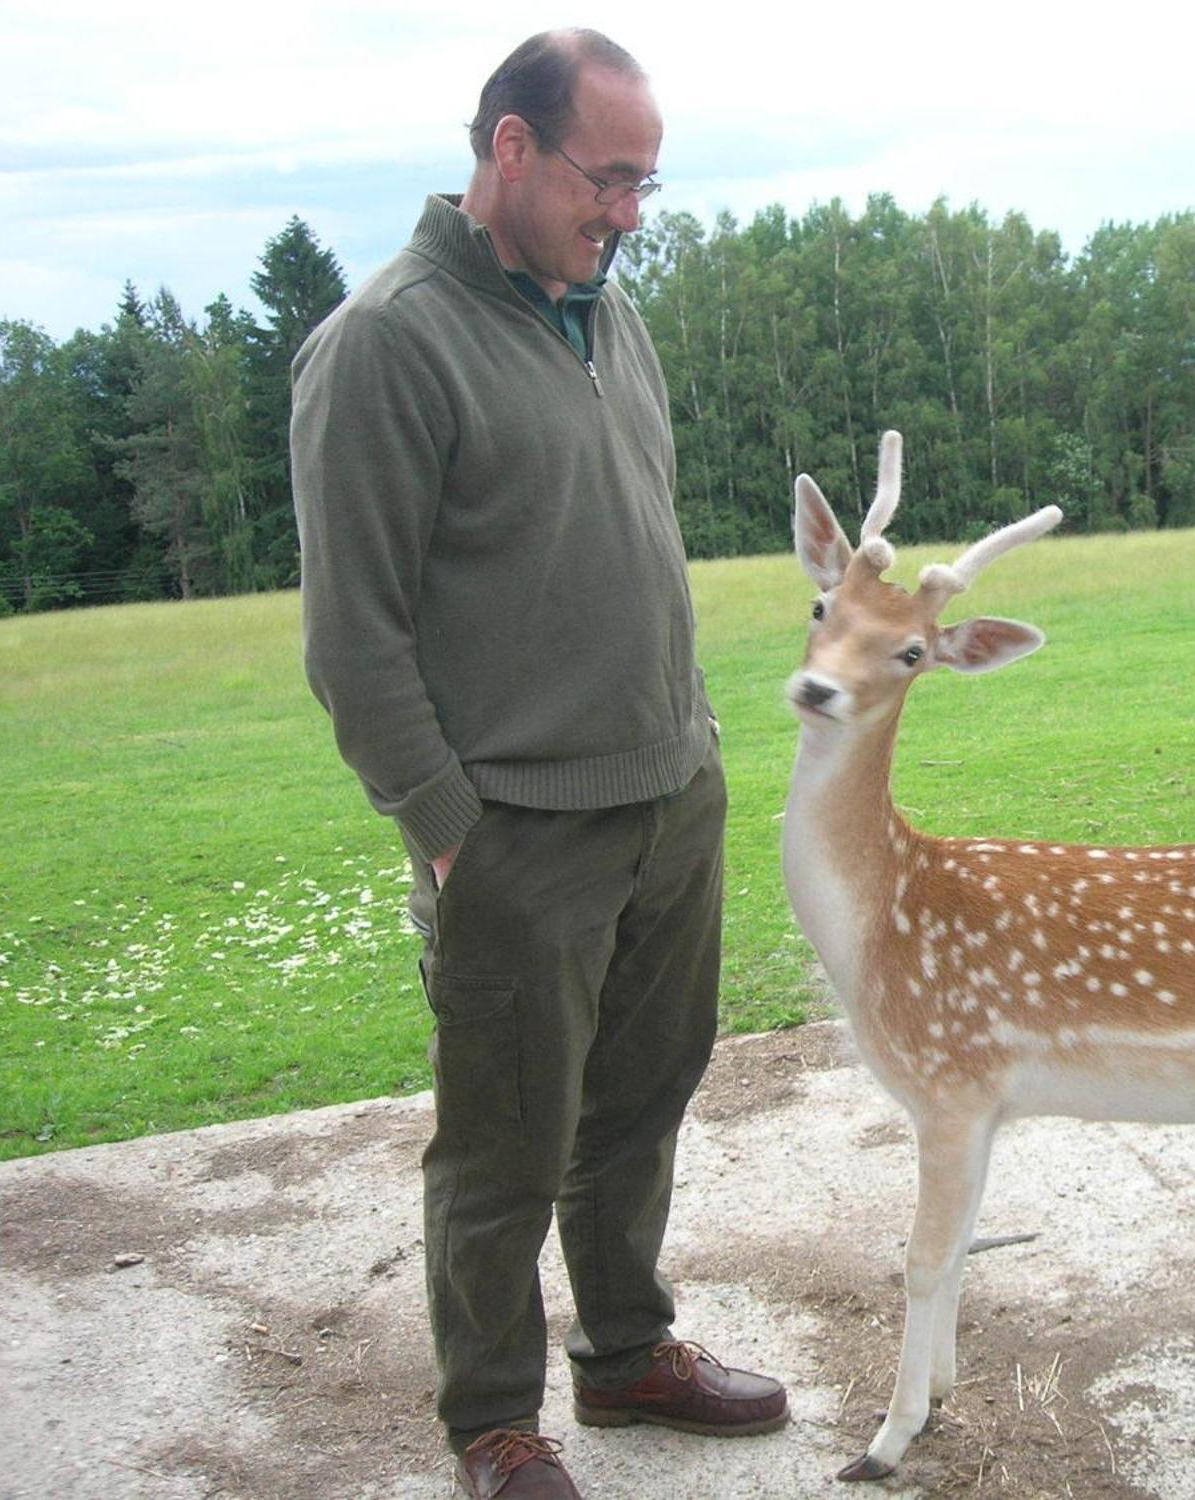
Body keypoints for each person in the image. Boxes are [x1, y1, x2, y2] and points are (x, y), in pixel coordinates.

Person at [291, 29, 786, 1500]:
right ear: (511, 148)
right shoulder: (384, 345)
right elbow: (353, 642)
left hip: (667, 796)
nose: (628, 210)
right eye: (608, 177)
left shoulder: (609, 314)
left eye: (647, 183)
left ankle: (628, 1354)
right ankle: (493, 1423)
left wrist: (689, 748)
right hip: (517, 833)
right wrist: (454, 834)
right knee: (506, 1148)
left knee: (643, 1100)